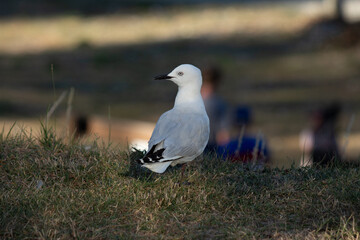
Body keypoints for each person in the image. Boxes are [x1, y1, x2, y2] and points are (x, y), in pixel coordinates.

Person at [299, 102, 341, 167]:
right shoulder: (307, 133)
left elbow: (335, 152)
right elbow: (307, 150)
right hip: (311, 165)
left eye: (319, 118)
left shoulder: (329, 133)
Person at [201, 66, 231, 153]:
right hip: (211, 146)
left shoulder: (189, 100)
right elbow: (223, 135)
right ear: (218, 82)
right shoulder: (220, 103)